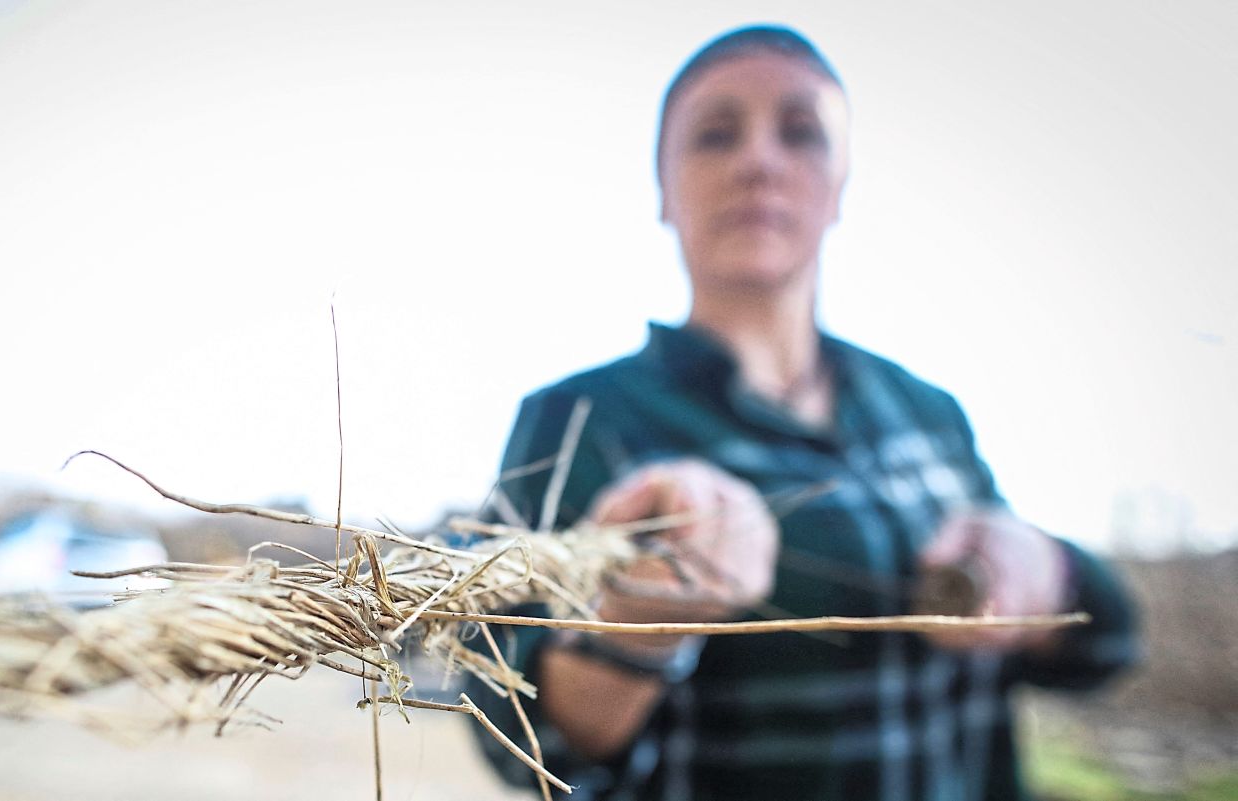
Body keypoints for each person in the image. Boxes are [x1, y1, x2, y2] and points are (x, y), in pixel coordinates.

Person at [466, 25, 1139, 801]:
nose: (758, 161)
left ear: (841, 184)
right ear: (661, 188)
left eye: (801, 134)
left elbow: (1107, 648)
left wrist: (1044, 570)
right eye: (716, 135)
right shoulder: (580, 418)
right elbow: (516, 740)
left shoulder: (928, 413)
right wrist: (638, 620)